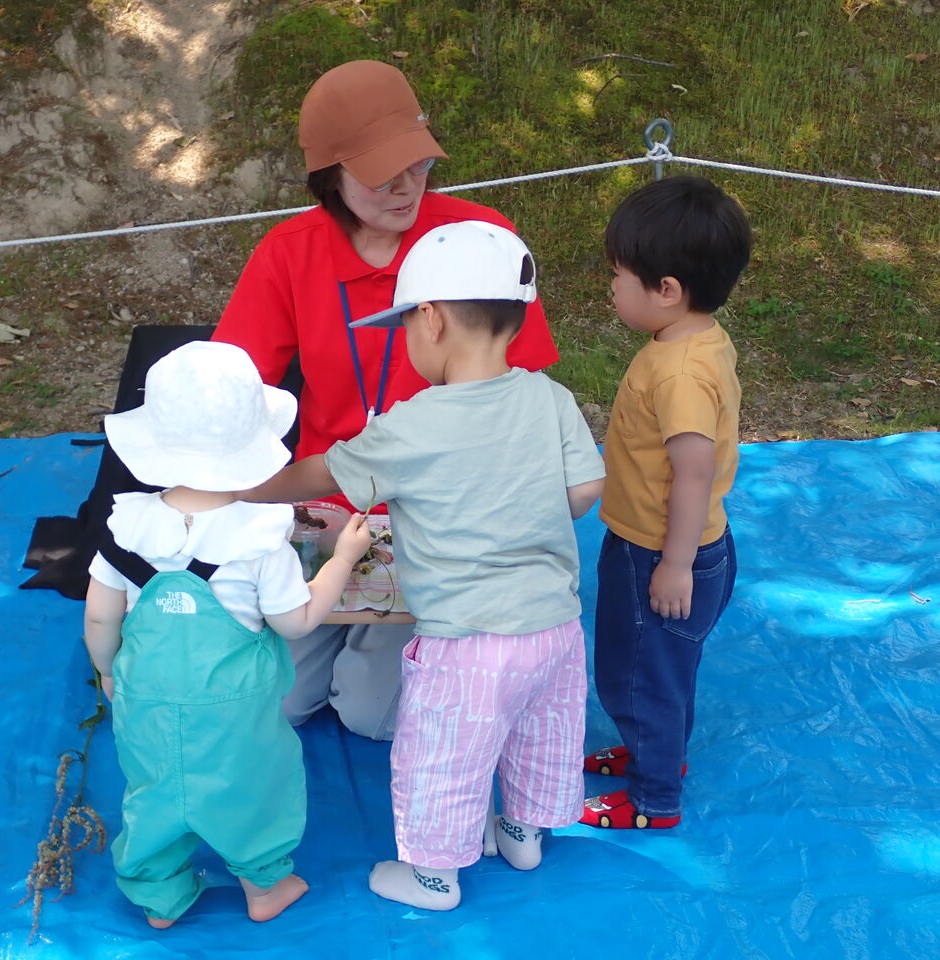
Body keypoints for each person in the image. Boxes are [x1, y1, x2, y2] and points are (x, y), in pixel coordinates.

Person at [243, 221, 606, 911]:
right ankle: (523, 834)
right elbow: (585, 491)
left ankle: (433, 877)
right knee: (539, 736)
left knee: (442, 758)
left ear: (432, 319)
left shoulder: (414, 423)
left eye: (407, 324)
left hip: (465, 643)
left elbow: (327, 473)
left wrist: (246, 488)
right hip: (555, 630)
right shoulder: (550, 398)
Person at [212, 59, 560, 742]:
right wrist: (237, 498)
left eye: (418, 165)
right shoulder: (290, 253)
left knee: (371, 714)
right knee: (277, 702)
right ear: (330, 178)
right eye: (381, 175)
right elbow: (231, 387)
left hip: (440, 519)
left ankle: (386, 649)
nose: (406, 188)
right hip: (325, 504)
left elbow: (524, 399)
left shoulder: (480, 240)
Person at [82, 341, 371, 928]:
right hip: (236, 710)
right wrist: (343, 559)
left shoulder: (128, 525)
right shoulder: (258, 536)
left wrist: (109, 670)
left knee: (154, 790)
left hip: (146, 698)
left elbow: (99, 616)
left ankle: (160, 897)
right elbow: (295, 621)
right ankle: (264, 886)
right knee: (252, 791)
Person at [581, 175, 752, 830]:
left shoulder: (680, 373)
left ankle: (654, 799)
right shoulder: (696, 340)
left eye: (619, 276)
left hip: (661, 551)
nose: (611, 287)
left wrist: (675, 564)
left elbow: (693, 473)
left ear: (668, 291)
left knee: (643, 673)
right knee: (661, 668)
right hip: (673, 544)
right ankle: (658, 752)